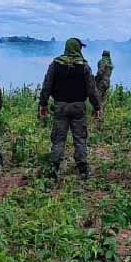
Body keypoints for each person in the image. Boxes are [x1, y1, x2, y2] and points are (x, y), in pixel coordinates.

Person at [38, 38, 102, 180]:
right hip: (78, 107)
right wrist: (97, 107)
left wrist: (42, 104)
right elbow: (92, 90)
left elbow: (47, 85)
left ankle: (54, 169)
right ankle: (83, 170)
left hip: (60, 106)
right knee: (80, 138)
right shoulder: (84, 66)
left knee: (58, 138)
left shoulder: (55, 64)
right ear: (77, 48)